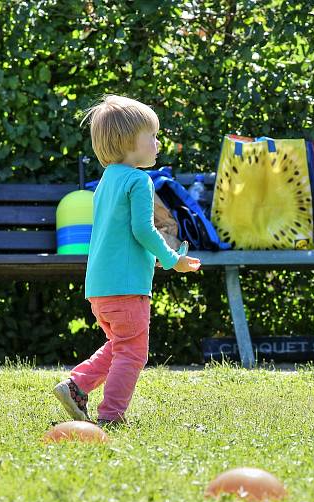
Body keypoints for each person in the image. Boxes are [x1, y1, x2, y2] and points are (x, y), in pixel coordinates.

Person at [53, 95, 201, 426]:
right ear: (129, 142)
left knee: (120, 345)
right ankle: (112, 415)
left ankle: (77, 385)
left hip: (100, 288)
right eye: (152, 135)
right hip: (126, 287)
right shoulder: (138, 180)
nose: (158, 142)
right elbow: (143, 230)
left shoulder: (107, 180)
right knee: (133, 353)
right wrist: (172, 258)